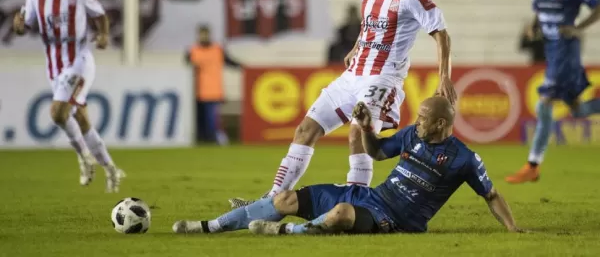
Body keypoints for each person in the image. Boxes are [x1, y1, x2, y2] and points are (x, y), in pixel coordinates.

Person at [229, 0, 456, 208]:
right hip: (353, 75)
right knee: (305, 130)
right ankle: (269, 201)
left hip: (382, 78)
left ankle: (356, 202)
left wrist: (444, 76)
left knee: (358, 132)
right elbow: (369, 23)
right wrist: (356, 45)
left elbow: (441, 34)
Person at [173, 97, 525, 235]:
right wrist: (368, 126)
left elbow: (491, 195)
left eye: (422, 119)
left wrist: (511, 229)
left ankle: (285, 233)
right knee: (285, 200)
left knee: (341, 213)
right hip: (370, 196)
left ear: (439, 125)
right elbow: (376, 153)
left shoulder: (464, 158)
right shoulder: (410, 136)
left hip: (396, 219)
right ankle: (209, 227)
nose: (416, 122)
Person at [12, 0, 125, 192]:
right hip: (54, 67)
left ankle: (84, 157)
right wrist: (18, 26)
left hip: (80, 62)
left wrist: (104, 35)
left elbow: (101, 16)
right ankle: (112, 170)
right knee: (82, 120)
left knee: (57, 113)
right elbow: (24, 25)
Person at [506, 0, 600, 184]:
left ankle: (533, 164)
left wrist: (578, 28)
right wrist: (533, 26)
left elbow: (598, 6)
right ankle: (533, 165)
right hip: (552, 53)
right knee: (578, 110)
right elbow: (540, 12)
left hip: (566, 54)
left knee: (545, 103)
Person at [185, 25, 241, 145]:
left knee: (212, 118)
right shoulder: (192, 50)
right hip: (197, 91)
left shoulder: (217, 49)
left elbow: (230, 62)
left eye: (205, 34)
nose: (204, 37)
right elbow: (185, 69)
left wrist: (244, 67)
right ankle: (202, 138)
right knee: (200, 118)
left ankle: (212, 138)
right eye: (201, 34)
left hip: (214, 91)